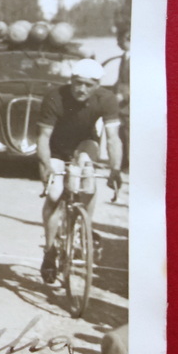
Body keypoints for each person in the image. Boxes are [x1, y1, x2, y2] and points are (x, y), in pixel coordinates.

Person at [36, 58, 125, 283]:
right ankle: (49, 251)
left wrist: (115, 169)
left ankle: (85, 226)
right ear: (71, 80)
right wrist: (46, 166)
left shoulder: (106, 99)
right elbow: (43, 137)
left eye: (88, 84)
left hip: (84, 143)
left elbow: (113, 139)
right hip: (55, 148)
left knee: (87, 173)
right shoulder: (54, 97)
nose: (81, 89)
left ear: (97, 85)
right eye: (77, 83)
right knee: (55, 194)